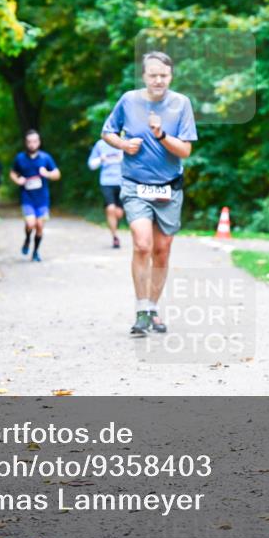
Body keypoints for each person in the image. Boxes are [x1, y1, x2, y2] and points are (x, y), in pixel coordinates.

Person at [101, 51, 198, 336]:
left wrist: (161, 136)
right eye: (153, 75)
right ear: (144, 76)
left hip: (169, 186)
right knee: (142, 244)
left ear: (171, 76)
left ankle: (153, 308)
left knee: (162, 250)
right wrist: (122, 144)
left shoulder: (181, 104)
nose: (158, 80)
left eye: (163, 75)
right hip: (135, 185)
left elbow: (186, 151)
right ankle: (141, 309)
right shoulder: (129, 100)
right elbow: (107, 132)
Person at [9, 130, 61, 262]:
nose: (32, 144)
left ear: (39, 142)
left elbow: (57, 174)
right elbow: (13, 173)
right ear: (26, 143)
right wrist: (18, 180)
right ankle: (27, 239)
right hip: (27, 197)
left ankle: (36, 252)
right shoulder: (20, 158)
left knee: (39, 226)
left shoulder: (45, 158)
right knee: (30, 223)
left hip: (42, 198)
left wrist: (47, 174)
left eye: (35, 141)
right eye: (29, 142)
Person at [87, 138, 125, 248]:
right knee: (110, 209)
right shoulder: (100, 144)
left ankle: (114, 226)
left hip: (122, 182)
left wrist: (123, 158)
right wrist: (100, 159)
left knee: (118, 213)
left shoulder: (123, 142)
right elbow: (91, 164)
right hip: (106, 182)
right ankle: (115, 237)